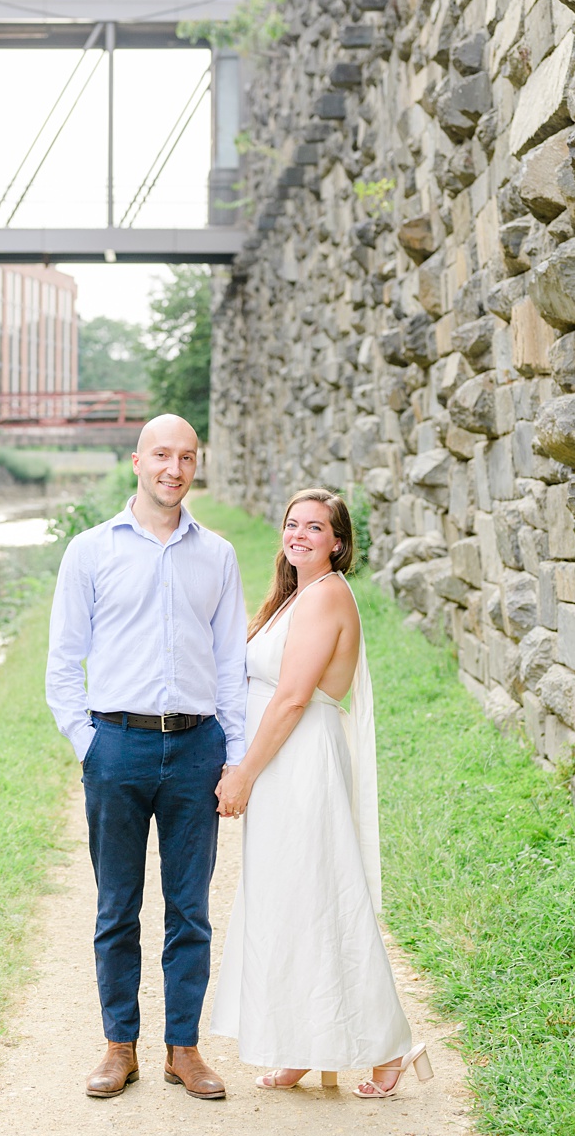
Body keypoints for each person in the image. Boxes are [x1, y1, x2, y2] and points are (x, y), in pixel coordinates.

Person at [45, 414, 248, 1101]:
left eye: (186, 457)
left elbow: (230, 666)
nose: (174, 468)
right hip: (117, 748)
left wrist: (234, 757)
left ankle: (183, 1049)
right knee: (117, 908)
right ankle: (119, 1046)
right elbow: (62, 661)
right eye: (162, 454)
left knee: (190, 910)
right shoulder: (90, 551)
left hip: (196, 749)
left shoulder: (216, 554)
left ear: (196, 466)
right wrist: (89, 743)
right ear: (137, 461)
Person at [210, 489, 431, 1098]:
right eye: (292, 524)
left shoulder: (326, 596)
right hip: (286, 763)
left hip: (299, 764)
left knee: (323, 900)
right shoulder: (295, 598)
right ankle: (301, 1043)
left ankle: (390, 1049)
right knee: (288, 903)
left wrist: (243, 774)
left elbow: (292, 698)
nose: (300, 534)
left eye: (315, 527)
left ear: (338, 541)